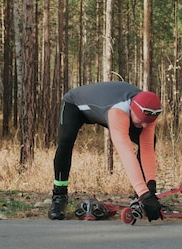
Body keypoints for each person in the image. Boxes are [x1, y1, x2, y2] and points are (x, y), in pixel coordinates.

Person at [48, 81, 164, 221]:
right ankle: (59, 196)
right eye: (140, 121)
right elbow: (127, 154)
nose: (144, 125)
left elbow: (147, 149)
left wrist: (150, 189)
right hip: (75, 105)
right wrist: (145, 194)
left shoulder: (148, 109)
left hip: (104, 108)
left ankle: (138, 198)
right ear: (133, 109)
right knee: (65, 141)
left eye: (148, 122)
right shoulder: (118, 111)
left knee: (150, 140)